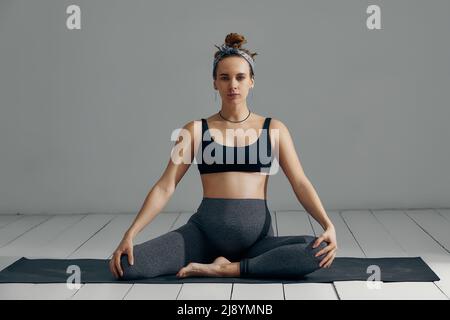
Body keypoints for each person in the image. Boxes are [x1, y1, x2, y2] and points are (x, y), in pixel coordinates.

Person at [109, 32, 338, 280]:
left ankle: (227, 268)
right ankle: (237, 265)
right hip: (203, 236)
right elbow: (166, 186)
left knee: (321, 249)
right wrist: (130, 234)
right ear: (214, 82)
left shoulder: (274, 129)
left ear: (252, 81)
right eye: (224, 78)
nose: (233, 85)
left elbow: (300, 183)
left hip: (257, 241)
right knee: (126, 266)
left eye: (240, 77)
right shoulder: (194, 130)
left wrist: (328, 224)